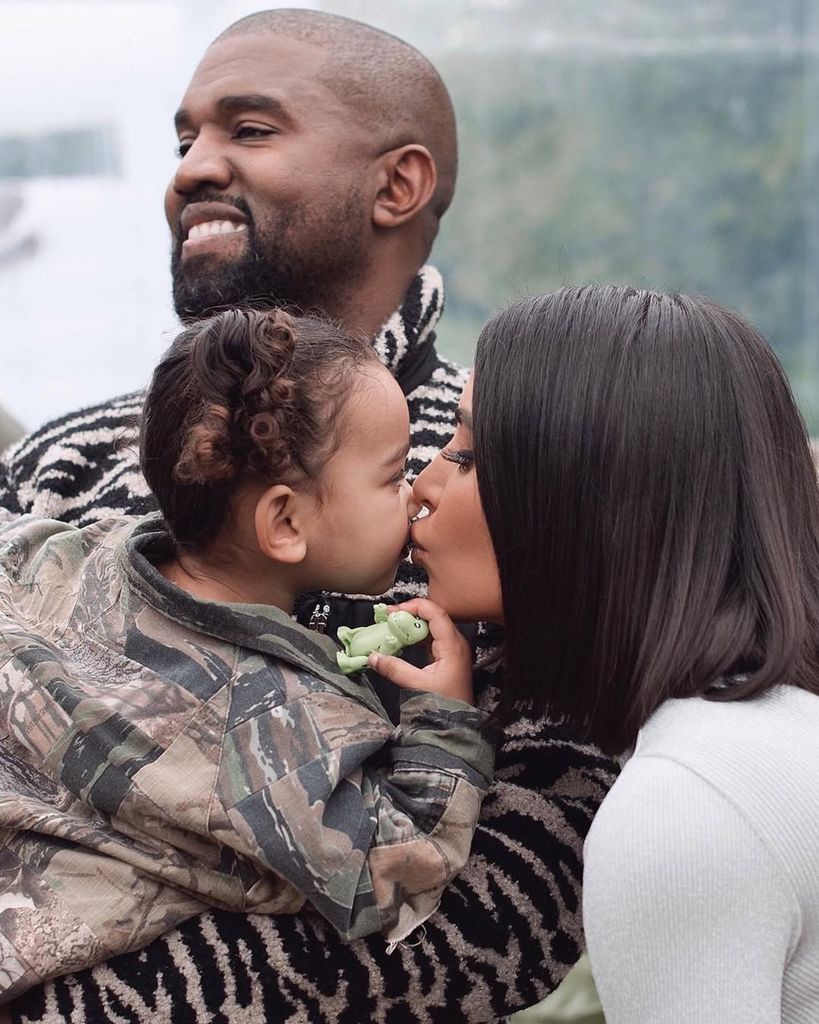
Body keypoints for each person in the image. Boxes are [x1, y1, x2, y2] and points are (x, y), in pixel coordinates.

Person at [1, 10, 616, 1024]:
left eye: (248, 130)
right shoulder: (65, 457)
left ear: (398, 184)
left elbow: (535, 879)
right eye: (183, 138)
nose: (194, 166)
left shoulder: (498, 475)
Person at [0, 307, 493, 1001]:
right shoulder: (261, 726)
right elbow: (394, 870)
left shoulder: (71, 551)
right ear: (285, 522)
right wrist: (443, 719)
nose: (414, 493)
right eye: (389, 478)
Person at [371, 285, 819, 1024]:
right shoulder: (774, 734)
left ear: (583, 496)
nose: (422, 488)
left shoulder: (682, 806)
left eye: (471, 455)